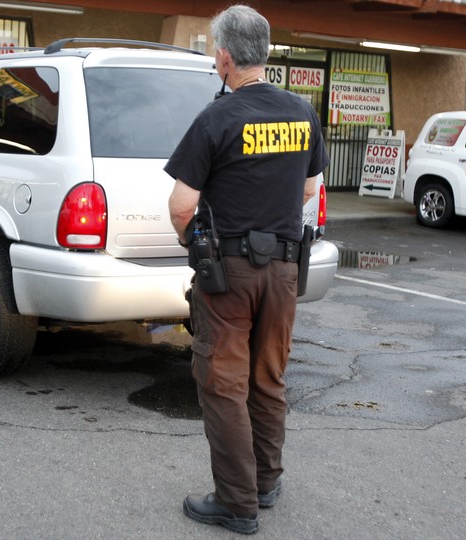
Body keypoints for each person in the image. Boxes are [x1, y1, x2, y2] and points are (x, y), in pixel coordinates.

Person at [165, 5, 328, 534]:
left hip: (228, 274)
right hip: (284, 272)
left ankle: (237, 503)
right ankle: (265, 482)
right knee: (269, 377)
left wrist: (196, 245)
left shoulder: (216, 118)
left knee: (223, 382)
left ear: (225, 57)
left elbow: (181, 206)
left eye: (216, 51)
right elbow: (310, 191)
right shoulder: (302, 112)